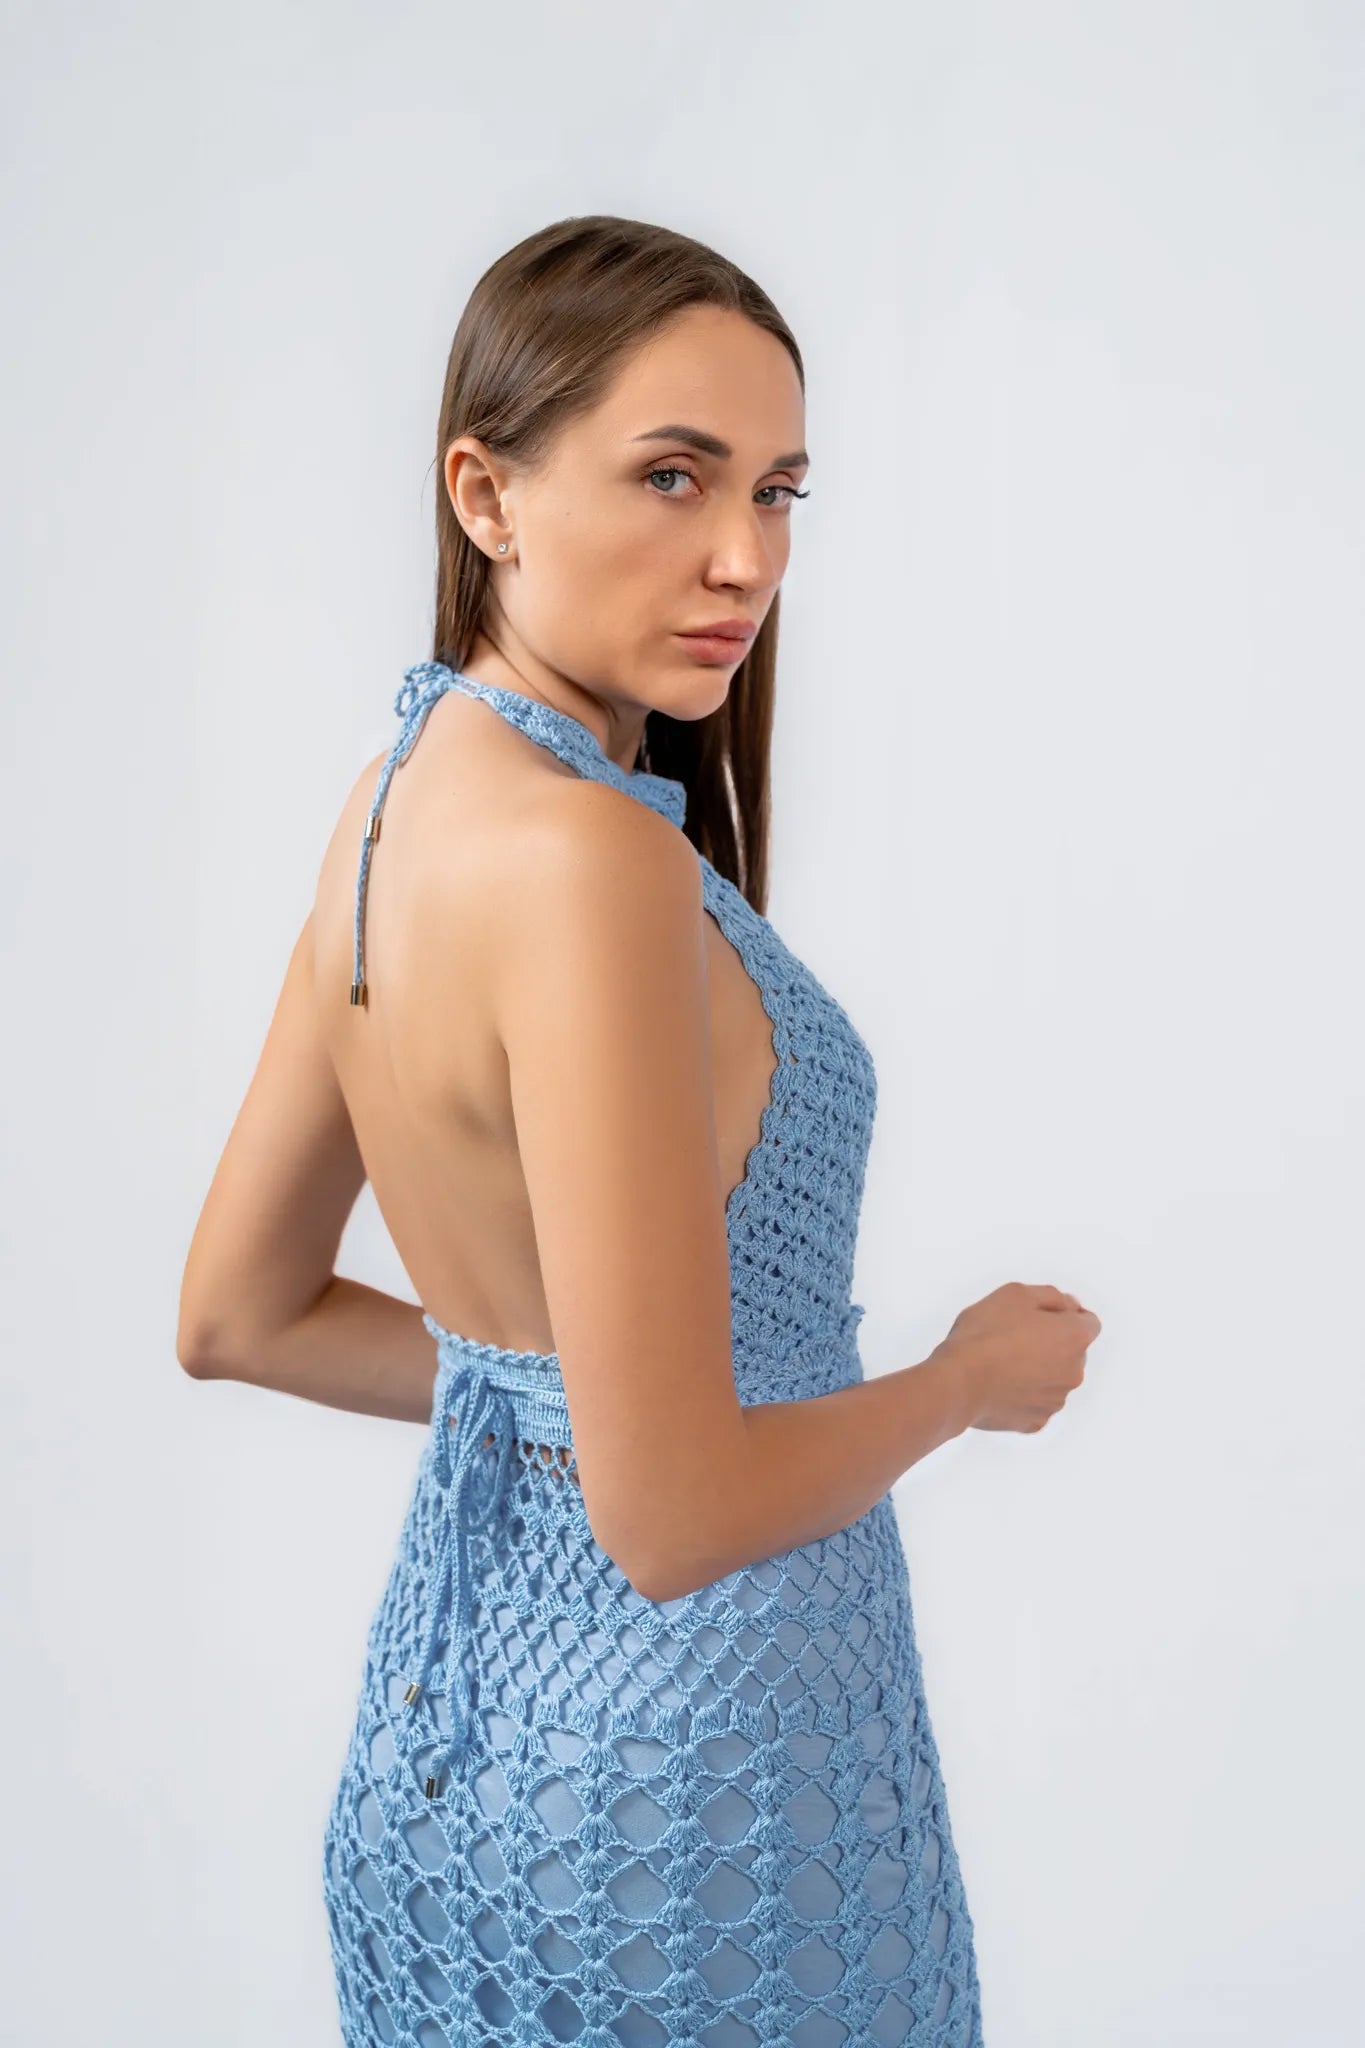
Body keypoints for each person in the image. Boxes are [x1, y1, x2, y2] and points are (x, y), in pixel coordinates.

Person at [179, 214, 1100, 2048]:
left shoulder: (395, 805)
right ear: (486, 495)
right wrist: (958, 1382)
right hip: (699, 1797)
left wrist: (582, 1397)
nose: (744, 556)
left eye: (777, 490)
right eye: (672, 476)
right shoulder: (592, 859)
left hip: (472, 1749)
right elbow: (673, 1517)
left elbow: (239, 1316)